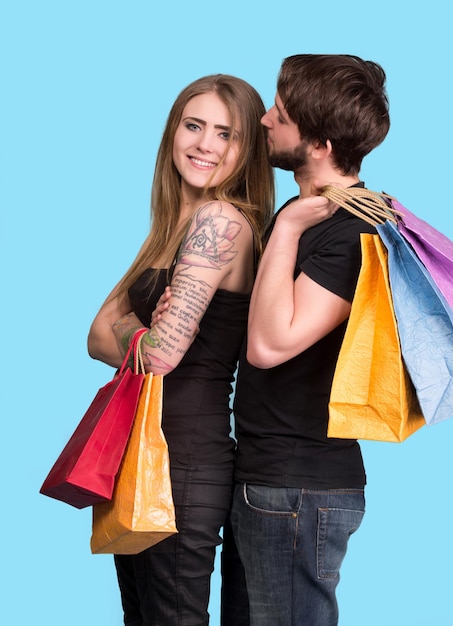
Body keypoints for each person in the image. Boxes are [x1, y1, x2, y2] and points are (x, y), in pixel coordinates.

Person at [87, 74, 274, 626]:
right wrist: (139, 334)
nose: (205, 145)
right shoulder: (171, 228)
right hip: (142, 456)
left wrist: (137, 332)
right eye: (194, 126)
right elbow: (95, 332)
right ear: (173, 132)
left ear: (247, 151)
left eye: (226, 134)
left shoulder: (220, 222)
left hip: (181, 464)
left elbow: (162, 354)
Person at [229, 54, 391, 626]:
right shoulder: (316, 217)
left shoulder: (353, 231)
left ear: (319, 144)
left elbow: (270, 344)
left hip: (298, 490)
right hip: (274, 482)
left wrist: (293, 224)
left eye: (281, 112)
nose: (266, 120)